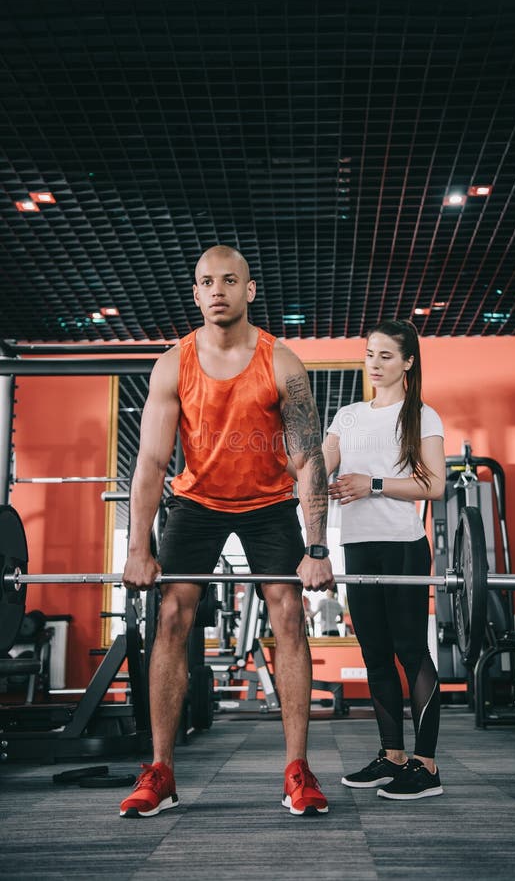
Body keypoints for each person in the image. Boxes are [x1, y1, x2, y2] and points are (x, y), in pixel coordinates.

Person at [119, 245, 334, 819]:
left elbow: (309, 458)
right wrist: (138, 547)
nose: (217, 290)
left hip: (268, 503)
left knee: (288, 611)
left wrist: (316, 548)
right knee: (170, 615)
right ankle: (161, 770)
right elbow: (149, 464)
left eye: (229, 280)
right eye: (207, 282)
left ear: (249, 290)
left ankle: (297, 770)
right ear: (196, 293)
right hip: (197, 502)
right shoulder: (173, 363)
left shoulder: (281, 362)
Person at [323, 319, 446, 800]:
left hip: (403, 545)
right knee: (374, 652)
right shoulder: (348, 415)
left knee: (410, 652)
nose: (374, 364)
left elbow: (433, 485)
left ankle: (427, 765)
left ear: (408, 363)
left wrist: (370, 484)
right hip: (357, 546)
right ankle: (392, 755)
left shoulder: (422, 415)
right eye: (370, 354)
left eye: (386, 356)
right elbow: (316, 465)